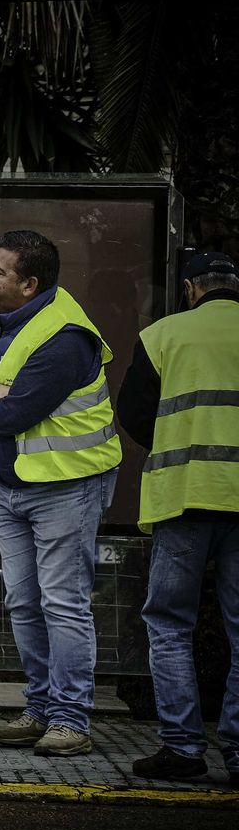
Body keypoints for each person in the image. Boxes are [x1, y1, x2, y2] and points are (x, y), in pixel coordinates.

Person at [0, 230, 122, 758]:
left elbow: (13, 414)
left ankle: (70, 720)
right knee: (23, 602)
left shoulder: (64, 337)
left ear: (28, 284)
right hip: (11, 486)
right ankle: (40, 709)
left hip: (66, 486)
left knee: (63, 605)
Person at [117, 251, 239, 782]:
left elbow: (136, 415)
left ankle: (184, 749)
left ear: (191, 289)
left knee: (168, 625)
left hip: (185, 497)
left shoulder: (163, 335)